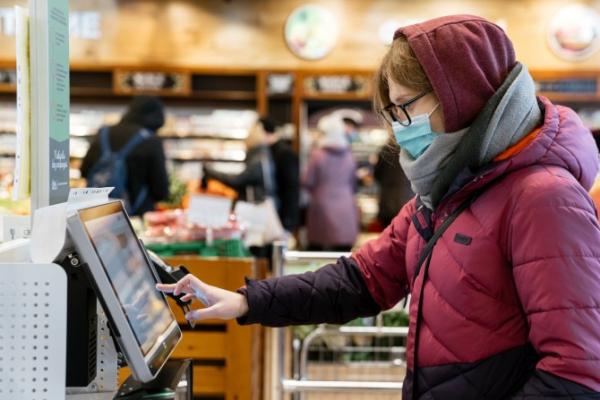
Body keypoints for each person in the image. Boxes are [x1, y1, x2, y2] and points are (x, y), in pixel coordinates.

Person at [157, 15, 600, 399]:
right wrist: (245, 302)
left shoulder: (543, 197)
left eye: (406, 108)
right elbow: (361, 279)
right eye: (392, 114)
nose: (400, 129)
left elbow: (578, 372)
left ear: (461, 96)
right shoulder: (443, 193)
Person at [80, 95, 170, 216]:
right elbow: (160, 191)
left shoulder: (103, 133)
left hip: (99, 214)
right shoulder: (151, 141)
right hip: (136, 216)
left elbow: (84, 171)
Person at [302, 113, 359, 251]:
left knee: (318, 252)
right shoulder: (349, 155)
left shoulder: (318, 155)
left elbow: (306, 180)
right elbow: (353, 182)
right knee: (343, 253)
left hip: (321, 206)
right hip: (346, 205)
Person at [203, 118, 277, 205]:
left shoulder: (258, 157)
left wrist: (211, 172)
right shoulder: (262, 154)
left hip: (257, 206)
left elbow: (239, 180)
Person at [262, 118, 301, 233]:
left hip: (283, 213)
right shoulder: (273, 150)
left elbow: (291, 186)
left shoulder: (284, 153)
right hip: (279, 210)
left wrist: (287, 218)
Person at [373, 142, 414, 229]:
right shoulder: (412, 149)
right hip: (407, 203)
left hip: (387, 205)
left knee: (387, 238)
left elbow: (377, 176)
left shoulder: (385, 150)